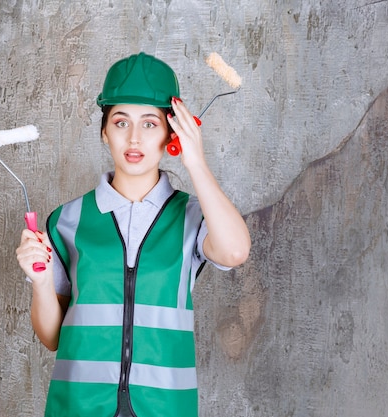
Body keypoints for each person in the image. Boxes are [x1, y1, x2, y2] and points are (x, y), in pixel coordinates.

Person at [15, 52, 251, 417]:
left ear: (173, 134)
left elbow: (235, 251)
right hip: (78, 407)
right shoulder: (67, 219)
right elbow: (51, 337)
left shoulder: (194, 215)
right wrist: (40, 282)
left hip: (165, 408)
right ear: (104, 132)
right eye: (122, 122)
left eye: (151, 124)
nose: (135, 138)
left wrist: (196, 161)